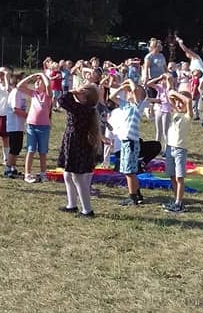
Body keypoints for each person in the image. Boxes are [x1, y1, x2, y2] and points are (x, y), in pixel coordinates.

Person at [57, 82, 102, 217]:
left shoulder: (83, 109)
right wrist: (78, 92)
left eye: (81, 92)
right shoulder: (81, 107)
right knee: (67, 174)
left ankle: (87, 210)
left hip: (78, 145)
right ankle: (72, 205)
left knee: (78, 177)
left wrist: (73, 91)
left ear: (85, 96)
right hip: (73, 143)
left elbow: (62, 99)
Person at [108, 77, 147, 207]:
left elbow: (135, 90)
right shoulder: (125, 105)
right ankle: (137, 194)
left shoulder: (138, 105)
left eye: (132, 92)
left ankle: (133, 197)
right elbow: (112, 97)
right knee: (128, 171)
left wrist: (130, 82)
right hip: (125, 141)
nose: (130, 92)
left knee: (129, 172)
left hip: (131, 142)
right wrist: (121, 88)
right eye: (128, 91)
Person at [17, 71, 53, 183]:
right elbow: (19, 86)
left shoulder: (47, 95)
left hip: (44, 127)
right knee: (31, 150)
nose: (36, 83)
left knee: (43, 152)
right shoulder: (33, 93)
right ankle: (27, 174)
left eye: (39, 82)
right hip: (31, 126)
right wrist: (31, 76)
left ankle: (43, 173)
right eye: (36, 82)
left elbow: (48, 85)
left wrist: (42, 75)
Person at [163, 89, 193, 213]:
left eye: (181, 103)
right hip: (170, 148)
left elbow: (189, 101)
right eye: (177, 102)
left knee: (179, 177)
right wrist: (176, 97)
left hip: (180, 150)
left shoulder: (187, 116)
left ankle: (179, 204)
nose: (179, 105)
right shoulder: (175, 112)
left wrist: (179, 96)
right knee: (172, 176)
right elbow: (169, 96)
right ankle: (176, 199)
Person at [5, 73, 27, 178]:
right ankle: (8, 169)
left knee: (17, 148)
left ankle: (13, 168)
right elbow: (16, 109)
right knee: (14, 148)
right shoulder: (16, 92)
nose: (26, 82)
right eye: (24, 80)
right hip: (14, 125)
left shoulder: (21, 93)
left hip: (19, 126)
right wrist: (29, 116)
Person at [147, 71, 173, 153]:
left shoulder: (170, 88)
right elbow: (149, 83)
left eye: (164, 80)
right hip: (158, 109)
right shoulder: (160, 87)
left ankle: (167, 149)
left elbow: (169, 87)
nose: (162, 81)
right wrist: (159, 77)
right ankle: (156, 149)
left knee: (165, 131)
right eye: (162, 80)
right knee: (158, 130)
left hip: (166, 110)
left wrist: (168, 79)